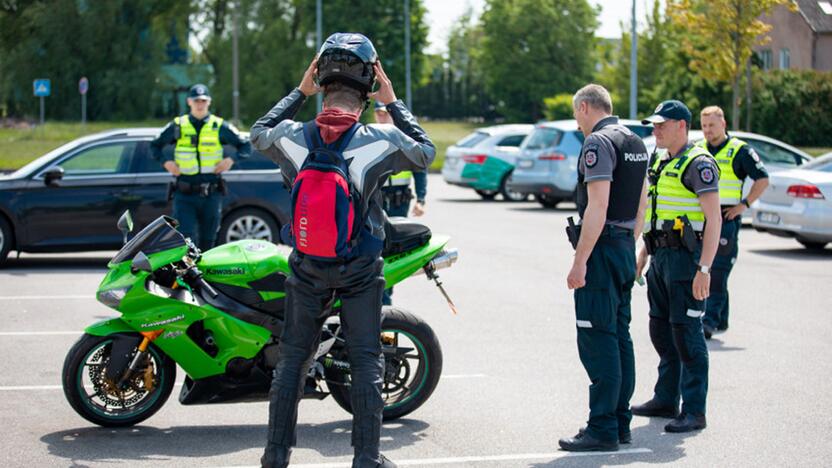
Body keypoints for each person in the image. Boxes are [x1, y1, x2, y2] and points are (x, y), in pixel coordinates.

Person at [250, 32, 435, 468]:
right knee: (366, 360)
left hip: (308, 266)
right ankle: (366, 459)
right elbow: (426, 152)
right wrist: (393, 102)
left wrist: (298, 92)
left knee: (292, 363)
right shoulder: (378, 140)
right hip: (359, 269)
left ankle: (275, 457)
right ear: (368, 91)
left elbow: (257, 134)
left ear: (321, 81)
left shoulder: (293, 136)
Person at [559, 84, 649, 452]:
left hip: (602, 249)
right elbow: (643, 200)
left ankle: (602, 428)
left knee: (597, 339)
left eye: (576, 114)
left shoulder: (598, 143)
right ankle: (620, 421)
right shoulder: (635, 141)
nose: (577, 122)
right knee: (619, 337)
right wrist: (630, 242)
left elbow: (597, 205)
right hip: (624, 245)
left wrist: (579, 261)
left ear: (584, 107)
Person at [632, 100, 722, 433]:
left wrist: (705, 269)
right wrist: (644, 253)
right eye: (654, 125)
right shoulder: (659, 159)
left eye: (662, 125)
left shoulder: (698, 163)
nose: (655, 130)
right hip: (660, 259)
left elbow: (714, 220)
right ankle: (666, 399)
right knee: (661, 331)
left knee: (688, 337)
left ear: (681, 126)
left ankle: (694, 410)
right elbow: (657, 213)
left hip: (687, 262)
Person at [697, 106, 769, 339]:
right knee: (711, 269)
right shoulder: (698, 149)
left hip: (726, 218)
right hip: (703, 219)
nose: (708, 130)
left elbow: (762, 179)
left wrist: (743, 205)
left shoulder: (739, 150)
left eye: (712, 125)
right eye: (704, 125)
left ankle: (708, 321)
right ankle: (721, 319)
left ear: (724, 124)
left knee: (717, 271)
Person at [150, 83, 250, 250]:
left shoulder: (219, 126)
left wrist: (230, 160)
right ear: (189, 102)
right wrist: (166, 162)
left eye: (203, 100)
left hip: (211, 195)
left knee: (209, 242)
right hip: (184, 196)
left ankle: (206, 277)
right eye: (196, 100)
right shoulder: (178, 125)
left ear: (208, 102)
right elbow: (154, 146)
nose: (200, 104)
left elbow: (246, 146)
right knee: (185, 241)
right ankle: (188, 276)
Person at [374, 99, 428, 305]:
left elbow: (419, 170)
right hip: (377, 203)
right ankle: (381, 299)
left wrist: (421, 199)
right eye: (378, 113)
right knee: (376, 250)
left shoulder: (404, 140)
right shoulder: (368, 136)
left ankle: (386, 299)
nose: (382, 116)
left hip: (399, 202)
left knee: (393, 250)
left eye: (386, 112)